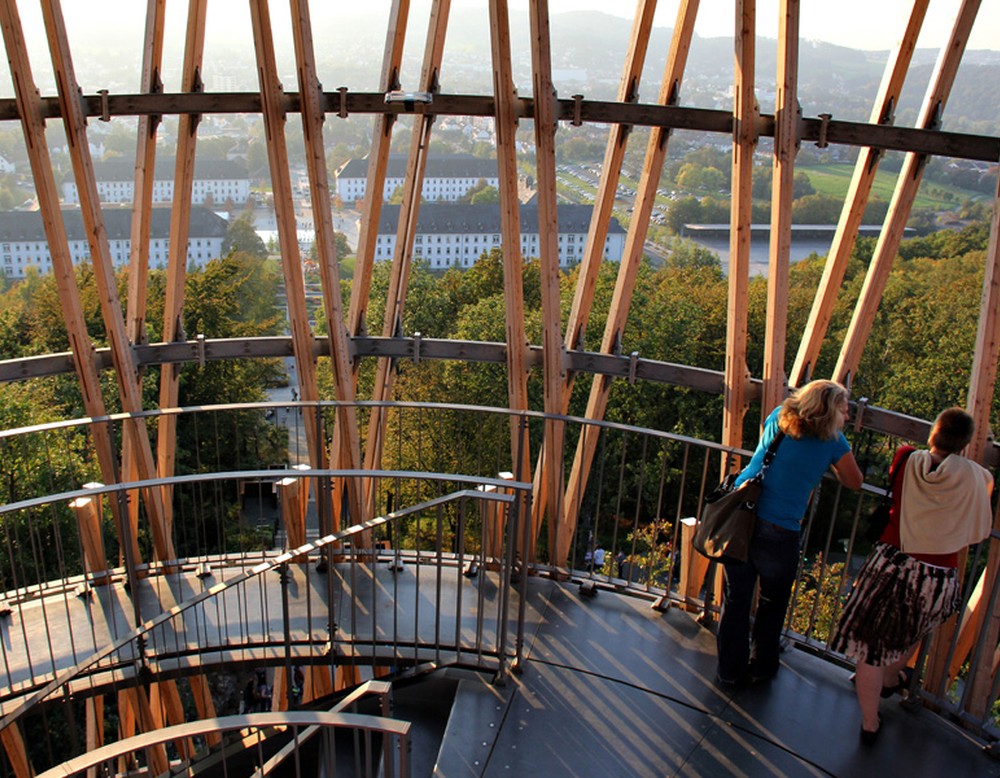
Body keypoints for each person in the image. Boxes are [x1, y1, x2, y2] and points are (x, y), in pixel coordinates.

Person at [830, 407, 992, 745]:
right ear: (964, 443)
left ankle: (870, 722)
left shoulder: (906, 459)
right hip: (936, 574)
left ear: (934, 433)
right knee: (909, 632)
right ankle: (890, 678)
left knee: (870, 646)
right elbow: (984, 489)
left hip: (891, 562)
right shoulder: (976, 476)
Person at [716, 380, 863, 687]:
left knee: (736, 598)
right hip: (779, 528)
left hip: (743, 516)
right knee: (773, 600)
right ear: (830, 411)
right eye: (844, 410)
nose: (847, 417)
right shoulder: (833, 441)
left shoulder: (779, 416)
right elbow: (854, 481)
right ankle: (762, 666)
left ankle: (729, 670)